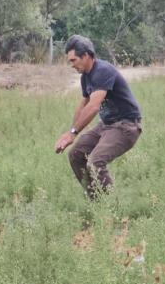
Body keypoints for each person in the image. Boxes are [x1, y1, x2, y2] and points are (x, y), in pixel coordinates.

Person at [54, 35, 143, 199]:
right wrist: (70, 133)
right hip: (107, 125)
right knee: (76, 155)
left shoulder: (103, 71)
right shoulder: (85, 77)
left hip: (126, 126)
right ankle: (96, 201)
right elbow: (83, 105)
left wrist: (73, 132)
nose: (71, 65)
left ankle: (113, 208)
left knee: (95, 162)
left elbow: (94, 106)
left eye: (73, 60)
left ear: (86, 56)